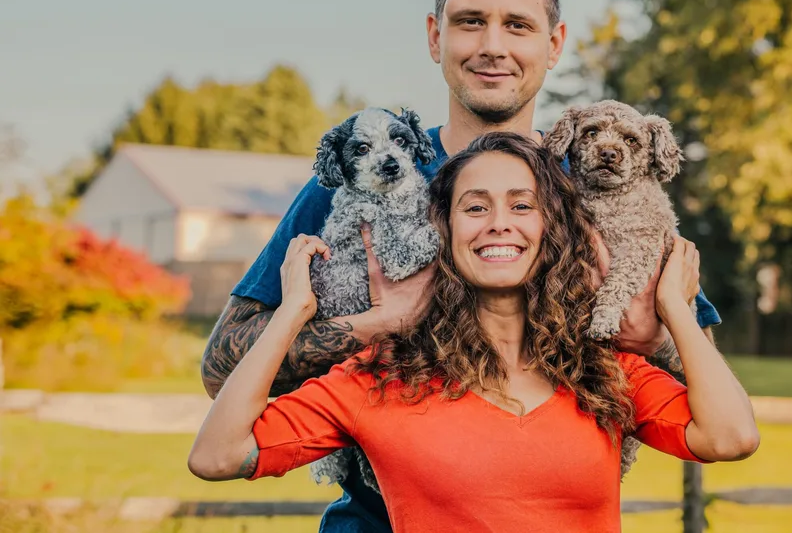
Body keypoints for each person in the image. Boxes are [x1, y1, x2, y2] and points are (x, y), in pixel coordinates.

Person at [200, 0, 724, 532]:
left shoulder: (598, 190)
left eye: (518, 25)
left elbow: (710, 396)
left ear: (554, 43)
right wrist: (378, 322)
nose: (493, 46)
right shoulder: (364, 177)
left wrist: (650, 338)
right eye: (471, 21)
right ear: (435, 36)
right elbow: (221, 369)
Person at [188, 133, 759, 533]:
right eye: (475, 207)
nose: (500, 223)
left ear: (552, 228)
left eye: (522, 205)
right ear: (444, 229)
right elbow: (217, 455)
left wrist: (674, 310)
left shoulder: (605, 374)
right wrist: (292, 312)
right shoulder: (378, 380)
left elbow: (731, 437)